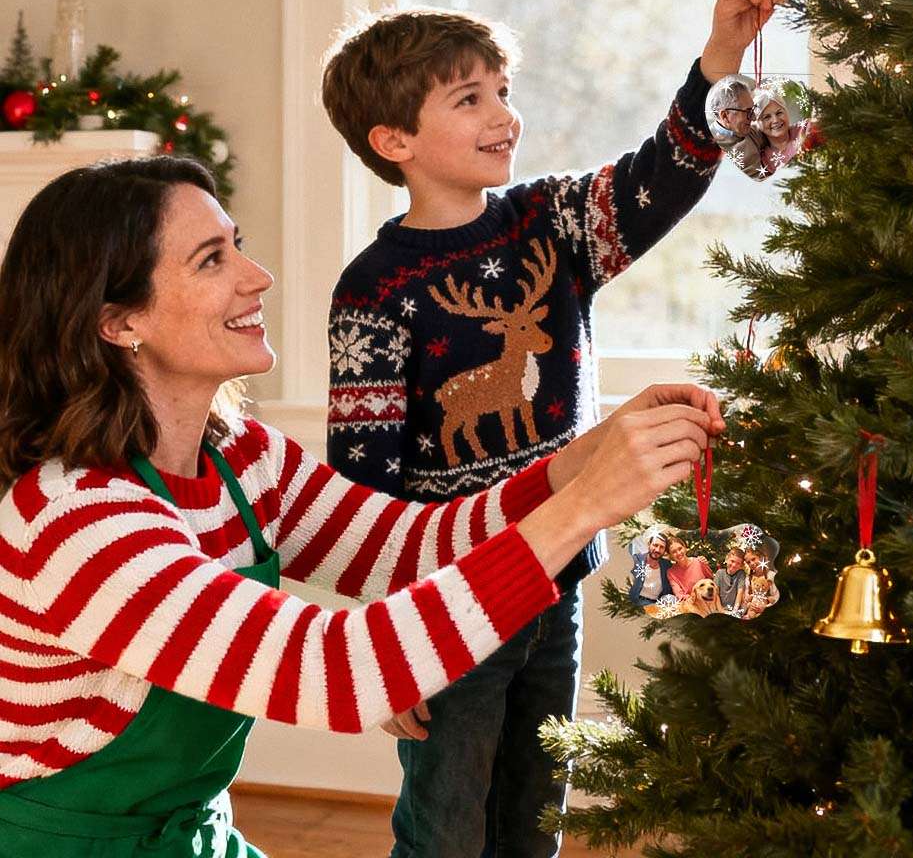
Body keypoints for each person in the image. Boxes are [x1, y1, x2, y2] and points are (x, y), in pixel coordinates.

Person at [0, 157, 723, 857]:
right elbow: (338, 671)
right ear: (119, 322)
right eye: (211, 260)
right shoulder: (79, 523)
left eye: (238, 246)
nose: (259, 277)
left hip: (188, 835)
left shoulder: (240, 456)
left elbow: (411, 545)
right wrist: (585, 510)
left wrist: (578, 463)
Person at [319, 0, 784, 858]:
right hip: (448, 604)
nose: (504, 115)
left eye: (503, 91)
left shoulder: (551, 225)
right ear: (393, 139)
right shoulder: (373, 291)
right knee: (448, 825)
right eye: (469, 99)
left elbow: (664, 176)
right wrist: (388, 643)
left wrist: (720, 56)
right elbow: (360, 484)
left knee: (537, 816)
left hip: (558, 580)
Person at [706, 76, 766, 176]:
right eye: (747, 111)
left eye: (753, 110)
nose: (754, 118)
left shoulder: (754, 131)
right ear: (725, 116)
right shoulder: (707, 149)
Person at [752, 88, 809, 176]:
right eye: (767, 117)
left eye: (779, 113)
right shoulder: (762, 160)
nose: (775, 120)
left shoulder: (804, 128)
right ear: (757, 124)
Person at [628, 531, 673, 607]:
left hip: (657, 604)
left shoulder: (667, 565)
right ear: (649, 544)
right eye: (655, 545)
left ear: (665, 551)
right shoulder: (636, 560)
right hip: (637, 602)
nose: (657, 550)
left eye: (661, 547)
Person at [714, 545, 748, 614]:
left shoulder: (741, 574)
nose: (734, 565)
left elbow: (740, 593)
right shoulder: (719, 573)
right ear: (727, 559)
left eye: (738, 563)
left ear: (741, 565)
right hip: (720, 609)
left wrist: (734, 611)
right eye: (732, 561)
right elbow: (716, 593)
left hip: (734, 610)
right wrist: (721, 610)